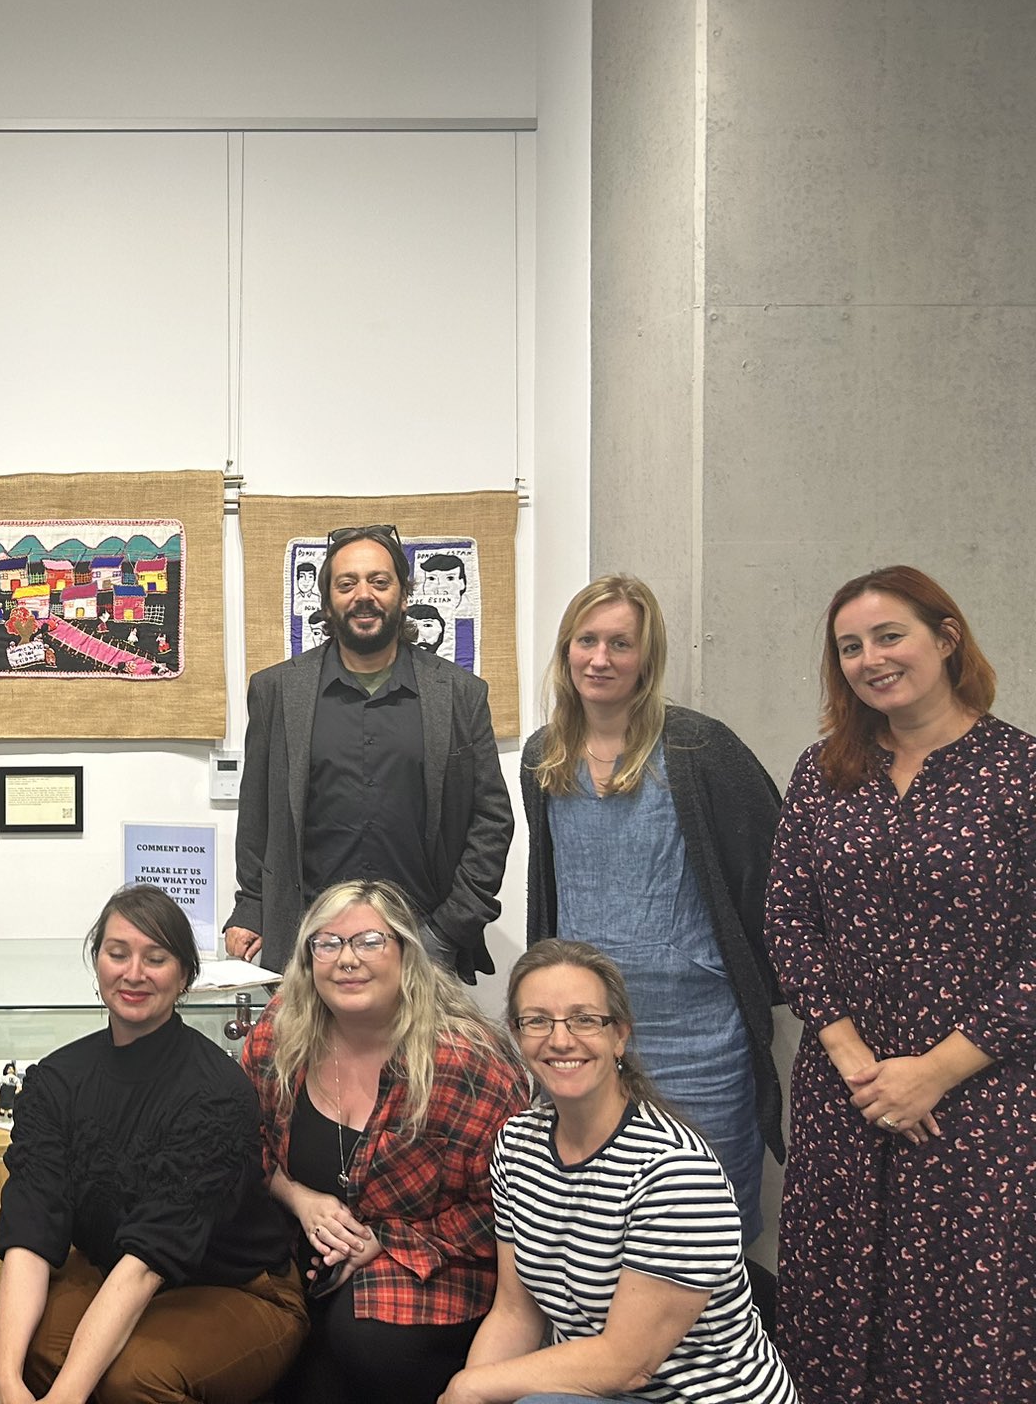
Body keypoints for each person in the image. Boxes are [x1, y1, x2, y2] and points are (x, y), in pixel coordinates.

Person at [764, 566, 1033, 1404]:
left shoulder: (1017, 770)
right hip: (845, 1093)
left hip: (977, 1099)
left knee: (963, 1316)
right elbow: (785, 918)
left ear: (946, 638)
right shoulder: (823, 772)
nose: (870, 659)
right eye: (850, 647)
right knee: (832, 1307)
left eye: (890, 636)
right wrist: (849, 1055)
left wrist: (937, 1070)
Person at [519, 575, 784, 1259]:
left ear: (648, 656)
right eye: (587, 640)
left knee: (702, 1235)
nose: (600, 658)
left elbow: (773, 869)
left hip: (699, 1039)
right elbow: (552, 886)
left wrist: (770, 980)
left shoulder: (700, 750)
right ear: (566, 649)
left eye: (620, 643)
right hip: (586, 1037)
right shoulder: (543, 755)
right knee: (598, 1227)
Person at [439, 940, 794, 1404]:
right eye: (538, 1021)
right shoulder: (515, 1144)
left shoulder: (675, 1171)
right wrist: (467, 1395)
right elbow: (514, 1313)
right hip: (591, 1390)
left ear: (619, 1035)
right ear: (517, 1034)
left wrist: (471, 1386)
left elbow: (627, 1365)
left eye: (585, 1019)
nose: (560, 1040)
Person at [0, 885, 306, 1404]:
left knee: (131, 1376)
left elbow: (148, 1260)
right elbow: (31, 1224)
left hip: (235, 1285)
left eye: (155, 958)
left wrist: (63, 1398)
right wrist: (6, 1382)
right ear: (97, 964)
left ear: (184, 976)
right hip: (115, 1272)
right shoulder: (57, 1079)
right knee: (17, 1347)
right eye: (118, 954)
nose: (133, 973)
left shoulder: (216, 1092)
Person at [240, 880, 529, 1404]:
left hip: (436, 1261)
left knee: (364, 1339)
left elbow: (509, 1209)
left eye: (369, 941)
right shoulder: (282, 1031)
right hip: (298, 1254)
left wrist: (387, 1241)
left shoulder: (468, 1062)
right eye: (327, 943)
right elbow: (242, 1142)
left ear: (406, 953)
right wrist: (299, 1198)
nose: (346, 959)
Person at [227, 523, 511, 980]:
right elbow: (257, 812)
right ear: (326, 601)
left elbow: (492, 820)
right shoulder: (277, 691)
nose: (364, 595)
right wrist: (250, 906)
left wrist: (448, 930)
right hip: (310, 943)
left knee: (421, 1057)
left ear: (403, 596)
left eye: (380, 582)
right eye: (347, 583)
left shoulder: (459, 694)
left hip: (422, 945)